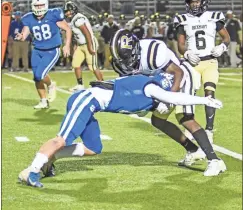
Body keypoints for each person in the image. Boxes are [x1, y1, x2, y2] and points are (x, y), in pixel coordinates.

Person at [18, 72, 224, 187]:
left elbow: (139, 105)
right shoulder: (150, 88)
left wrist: (155, 105)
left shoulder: (147, 89)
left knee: (93, 148)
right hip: (86, 100)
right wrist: (203, 99)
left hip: (93, 106)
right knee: (61, 139)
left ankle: (51, 158)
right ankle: (32, 171)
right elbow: (174, 98)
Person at [110, 29, 224, 171]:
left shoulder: (153, 52)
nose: (125, 63)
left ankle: (214, 160)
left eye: (127, 58)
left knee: (184, 117)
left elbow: (178, 73)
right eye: (122, 59)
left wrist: (167, 100)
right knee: (157, 120)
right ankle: (193, 150)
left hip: (180, 77)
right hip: (159, 81)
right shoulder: (121, 63)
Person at [174, 0, 230, 142]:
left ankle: (209, 129)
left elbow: (226, 38)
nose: (194, 5)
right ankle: (191, 127)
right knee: (189, 95)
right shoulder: (182, 19)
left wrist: (222, 47)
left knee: (209, 93)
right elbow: (180, 44)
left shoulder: (214, 17)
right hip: (192, 63)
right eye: (192, 2)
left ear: (203, 2)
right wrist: (186, 53)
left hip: (210, 61)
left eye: (197, 1)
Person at [15, 0, 72, 109]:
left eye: (41, 5)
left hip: (51, 50)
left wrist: (67, 45)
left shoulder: (53, 14)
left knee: (39, 74)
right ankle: (43, 101)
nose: (39, 8)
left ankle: (51, 85)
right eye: (37, 6)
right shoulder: (28, 18)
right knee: (36, 77)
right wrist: (21, 36)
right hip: (37, 50)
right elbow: (25, 34)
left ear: (45, 5)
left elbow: (67, 29)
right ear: (32, 6)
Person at [64, 1, 104, 92]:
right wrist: (75, 46)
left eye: (68, 11)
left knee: (92, 67)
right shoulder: (74, 19)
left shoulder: (78, 19)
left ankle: (102, 84)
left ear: (73, 10)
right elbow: (76, 36)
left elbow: (87, 34)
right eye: (66, 12)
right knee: (75, 64)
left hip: (89, 43)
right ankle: (80, 85)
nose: (67, 13)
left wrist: (90, 47)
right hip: (81, 45)